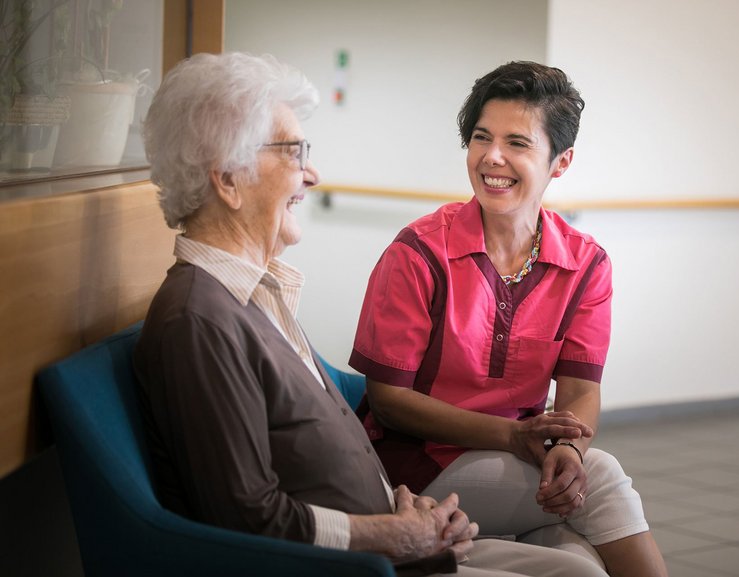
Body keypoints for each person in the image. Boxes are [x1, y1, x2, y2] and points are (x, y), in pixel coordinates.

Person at [132, 52, 610, 577]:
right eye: (294, 153)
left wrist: (407, 508)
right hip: (362, 559)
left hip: (397, 524)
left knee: (581, 567)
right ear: (228, 178)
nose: (311, 174)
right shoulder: (199, 321)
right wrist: (391, 532)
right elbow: (245, 515)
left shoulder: (255, 295)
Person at [349, 61, 669, 577]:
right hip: (415, 469)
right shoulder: (419, 252)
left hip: (519, 463)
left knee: (582, 566)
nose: (492, 157)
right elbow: (388, 402)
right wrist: (514, 438)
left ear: (560, 162)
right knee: (603, 477)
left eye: (517, 143)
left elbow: (581, 389)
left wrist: (567, 446)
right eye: (481, 137)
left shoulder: (586, 263)